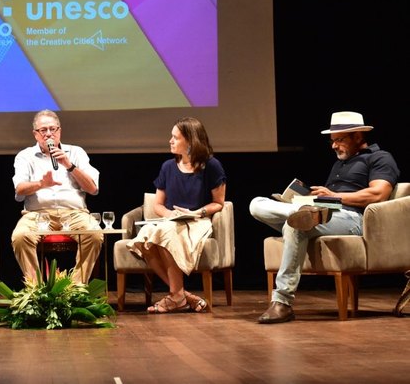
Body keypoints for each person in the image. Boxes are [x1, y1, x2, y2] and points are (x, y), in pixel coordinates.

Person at [250, 111, 400, 324]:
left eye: (339, 140)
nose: (334, 146)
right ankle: (300, 212)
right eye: (332, 141)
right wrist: (310, 199)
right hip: (323, 213)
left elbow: (378, 194)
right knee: (256, 204)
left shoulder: (380, 158)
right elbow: (330, 199)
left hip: (352, 219)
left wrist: (333, 196)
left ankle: (282, 303)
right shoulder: (340, 163)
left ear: (358, 136)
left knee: (295, 226)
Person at [126, 117, 226, 313]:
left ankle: (177, 297)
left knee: (165, 233)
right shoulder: (168, 167)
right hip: (171, 221)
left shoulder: (211, 165)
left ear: (190, 141)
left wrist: (198, 212)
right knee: (144, 238)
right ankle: (181, 295)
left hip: (198, 221)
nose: (170, 141)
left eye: (175, 137)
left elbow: (219, 203)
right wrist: (171, 214)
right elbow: (158, 205)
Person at [11, 110, 102, 284]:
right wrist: (41, 184)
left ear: (60, 131)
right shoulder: (25, 156)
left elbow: (92, 188)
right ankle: (36, 291)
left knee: (95, 235)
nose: (49, 134)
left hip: (75, 213)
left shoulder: (76, 152)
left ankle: (75, 289)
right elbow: (20, 189)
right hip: (37, 214)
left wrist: (69, 165)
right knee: (20, 237)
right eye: (43, 130)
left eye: (52, 129)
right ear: (35, 134)